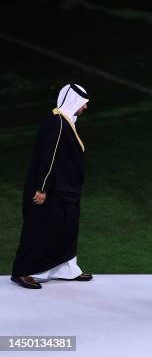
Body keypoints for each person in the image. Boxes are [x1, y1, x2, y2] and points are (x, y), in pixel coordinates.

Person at [11, 83, 92, 289]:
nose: (85, 107)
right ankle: (23, 271)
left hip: (65, 190)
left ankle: (66, 269)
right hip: (51, 191)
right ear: (74, 102)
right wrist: (42, 188)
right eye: (83, 103)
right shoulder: (58, 123)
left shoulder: (64, 121)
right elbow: (49, 156)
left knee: (66, 229)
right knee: (40, 230)